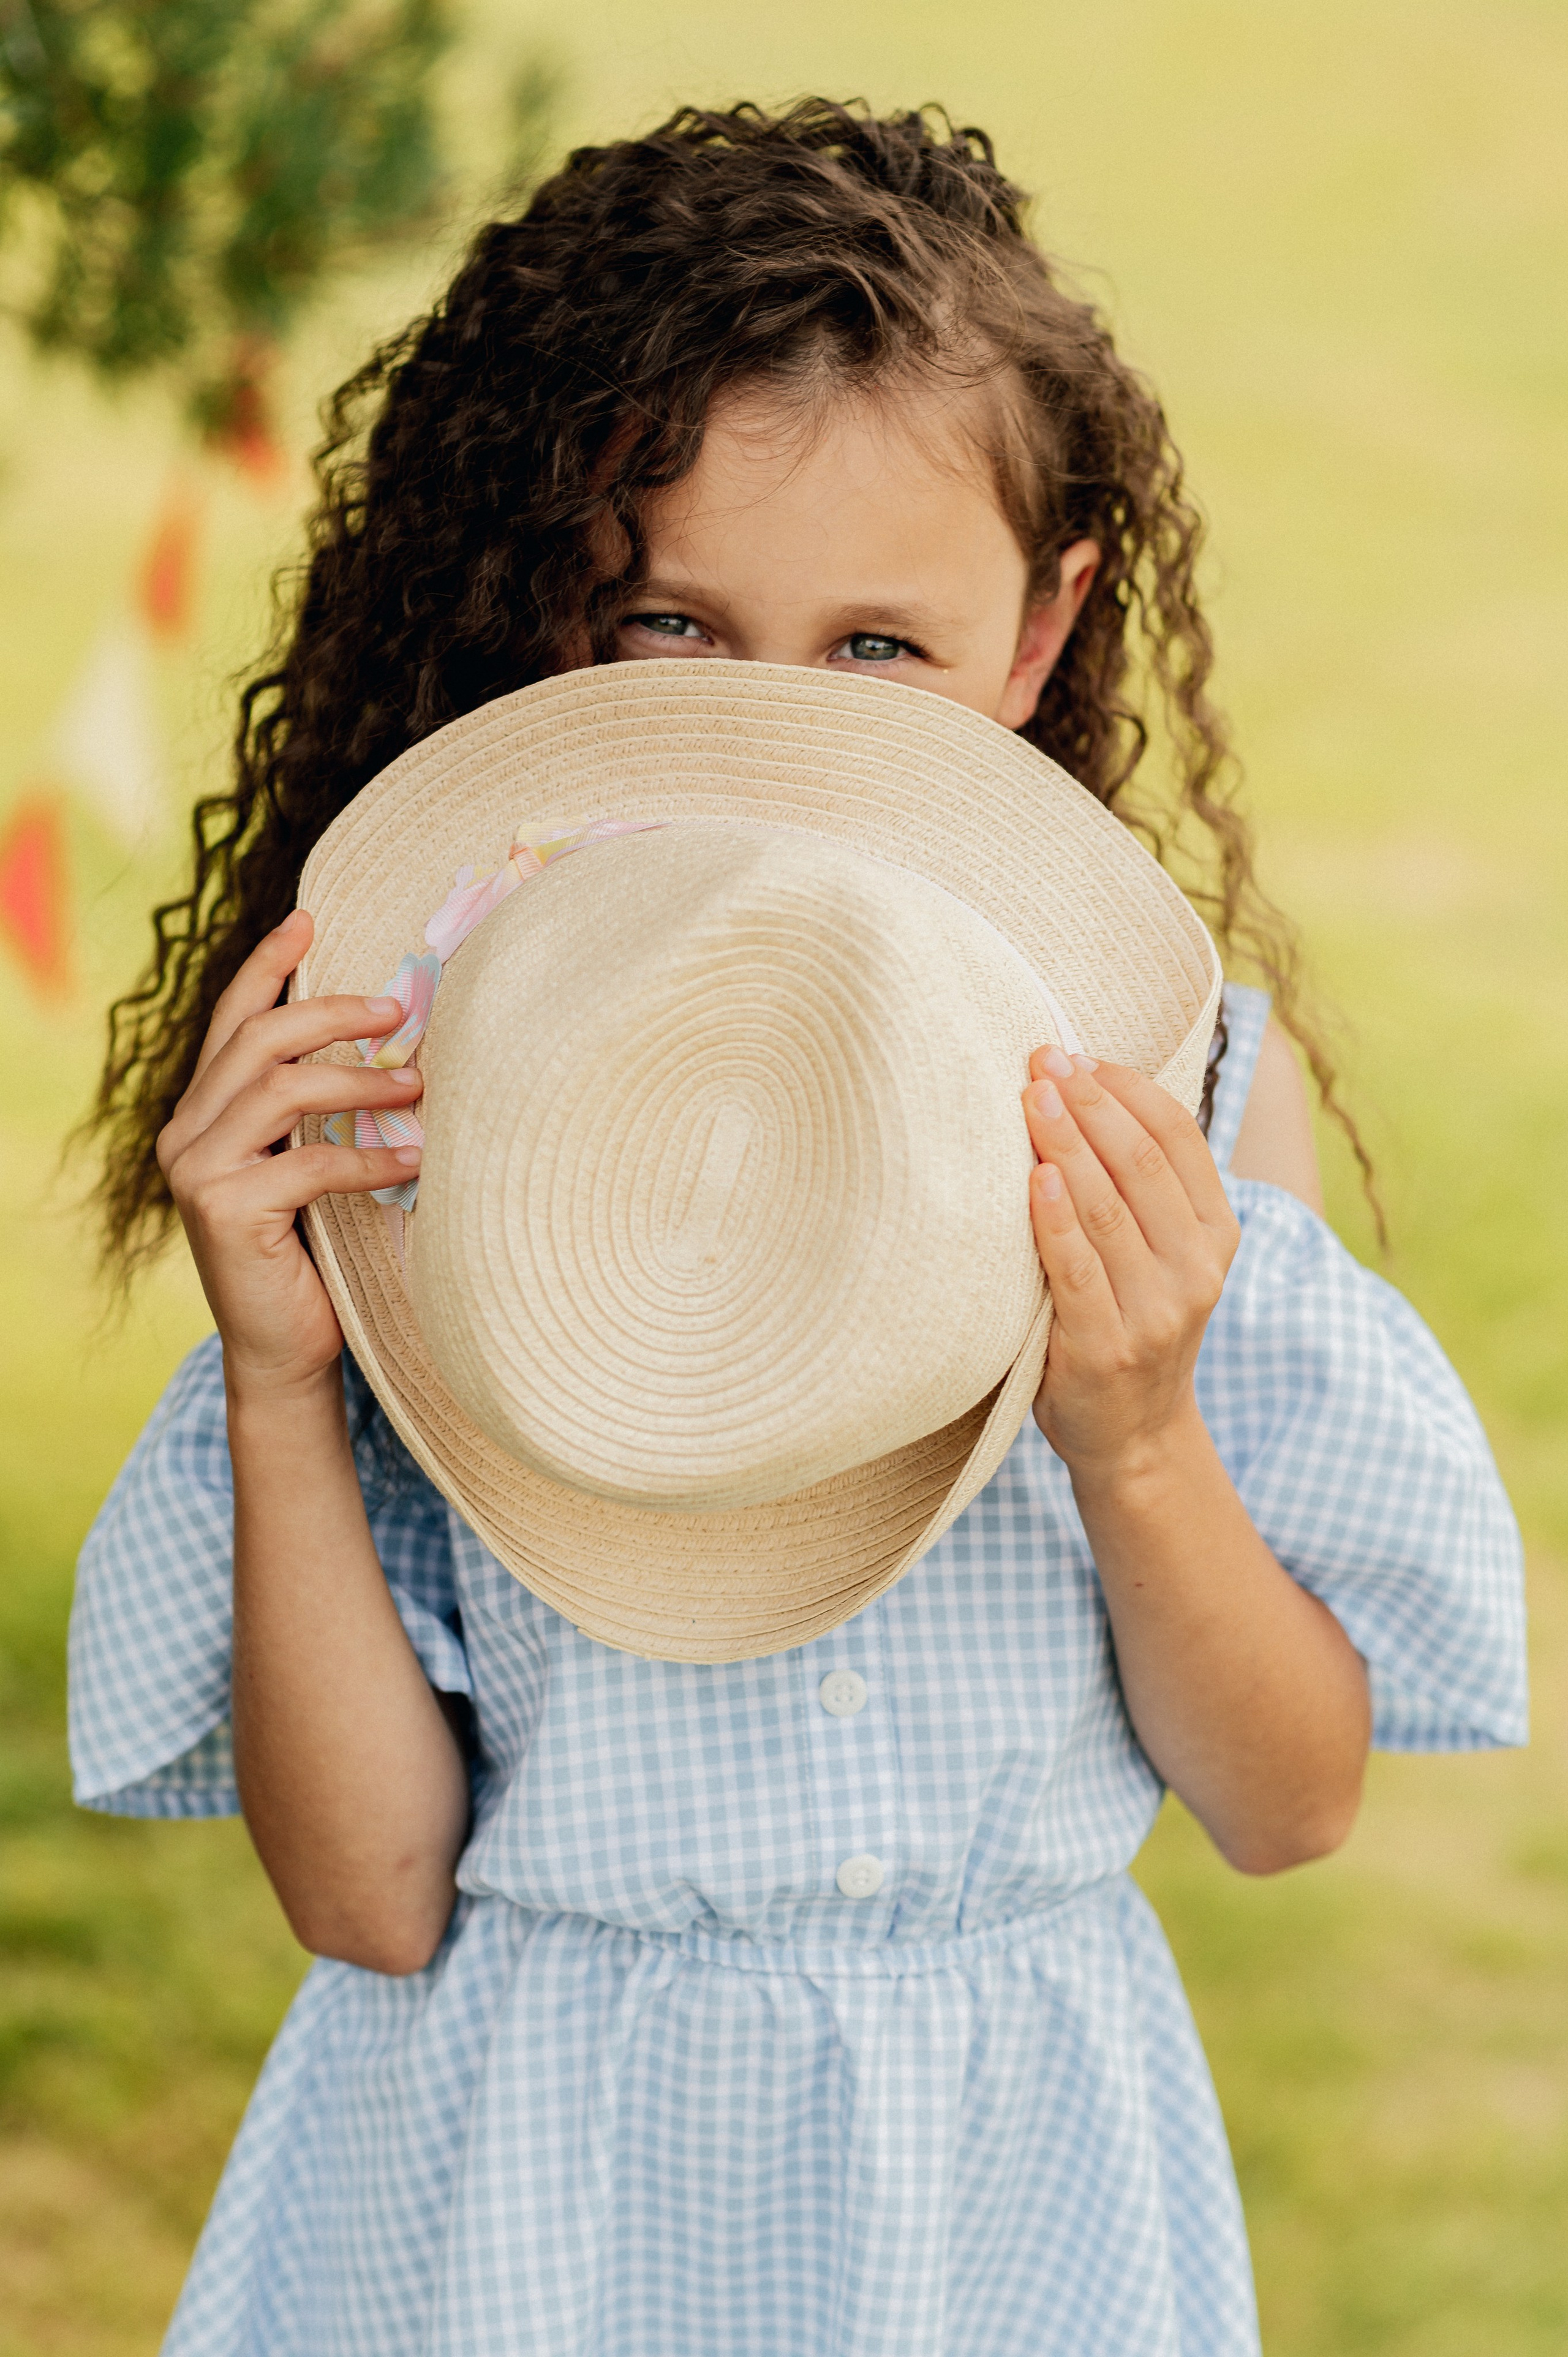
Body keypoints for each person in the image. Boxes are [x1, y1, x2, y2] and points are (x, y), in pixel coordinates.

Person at [70, 101, 1526, 2357]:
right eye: (673, 623)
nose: (768, 725)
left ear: (1041, 631)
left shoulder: (1184, 1110)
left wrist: (1134, 1434)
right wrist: (284, 1368)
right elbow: (365, 1903)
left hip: (1005, 2199)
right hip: (517, 2201)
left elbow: (1293, 1804)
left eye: (877, 648)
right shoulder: (432, 1120)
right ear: (547, 604)